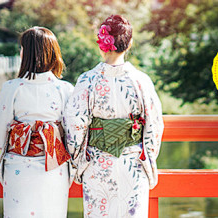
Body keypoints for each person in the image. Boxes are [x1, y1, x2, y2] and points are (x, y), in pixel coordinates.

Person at [63, 15, 164, 217]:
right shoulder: (141, 81)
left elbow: (74, 125)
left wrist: (80, 161)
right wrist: (147, 158)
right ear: (129, 44)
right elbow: (154, 125)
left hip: (98, 165)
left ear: (101, 42)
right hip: (134, 163)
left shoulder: (87, 80)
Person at [0, 26, 74, 218]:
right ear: (53, 53)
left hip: (18, 166)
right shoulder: (65, 89)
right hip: (53, 167)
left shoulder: (12, 88)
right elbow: (73, 130)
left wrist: (13, 143)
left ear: (24, 53)